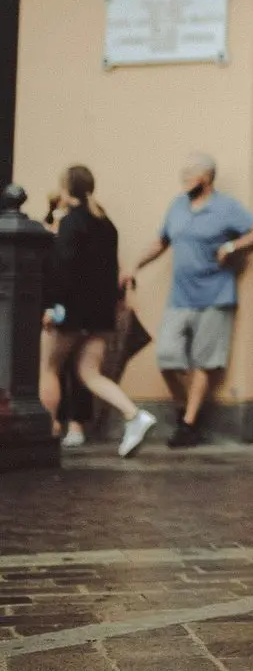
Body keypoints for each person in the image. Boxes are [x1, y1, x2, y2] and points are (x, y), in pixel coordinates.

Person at [123, 152, 253, 448]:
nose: (183, 178)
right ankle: (185, 410)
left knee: (204, 362)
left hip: (215, 296)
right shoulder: (177, 206)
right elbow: (161, 241)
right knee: (167, 356)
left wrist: (232, 246)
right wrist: (134, 265)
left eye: (189, 173)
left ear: (206, 177)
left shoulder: (225, 207)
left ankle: (189, 423)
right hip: (180, 297)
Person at [41, 166, 157, 457]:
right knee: (90, 373)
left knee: (50, 368)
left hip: (69, 311)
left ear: (66, 189)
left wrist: (50, 306)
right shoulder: (107, 225)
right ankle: (134, 415)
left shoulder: (70, 224)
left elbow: (62, 269)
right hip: (99, 314)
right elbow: (110, 271)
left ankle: (47, 432)